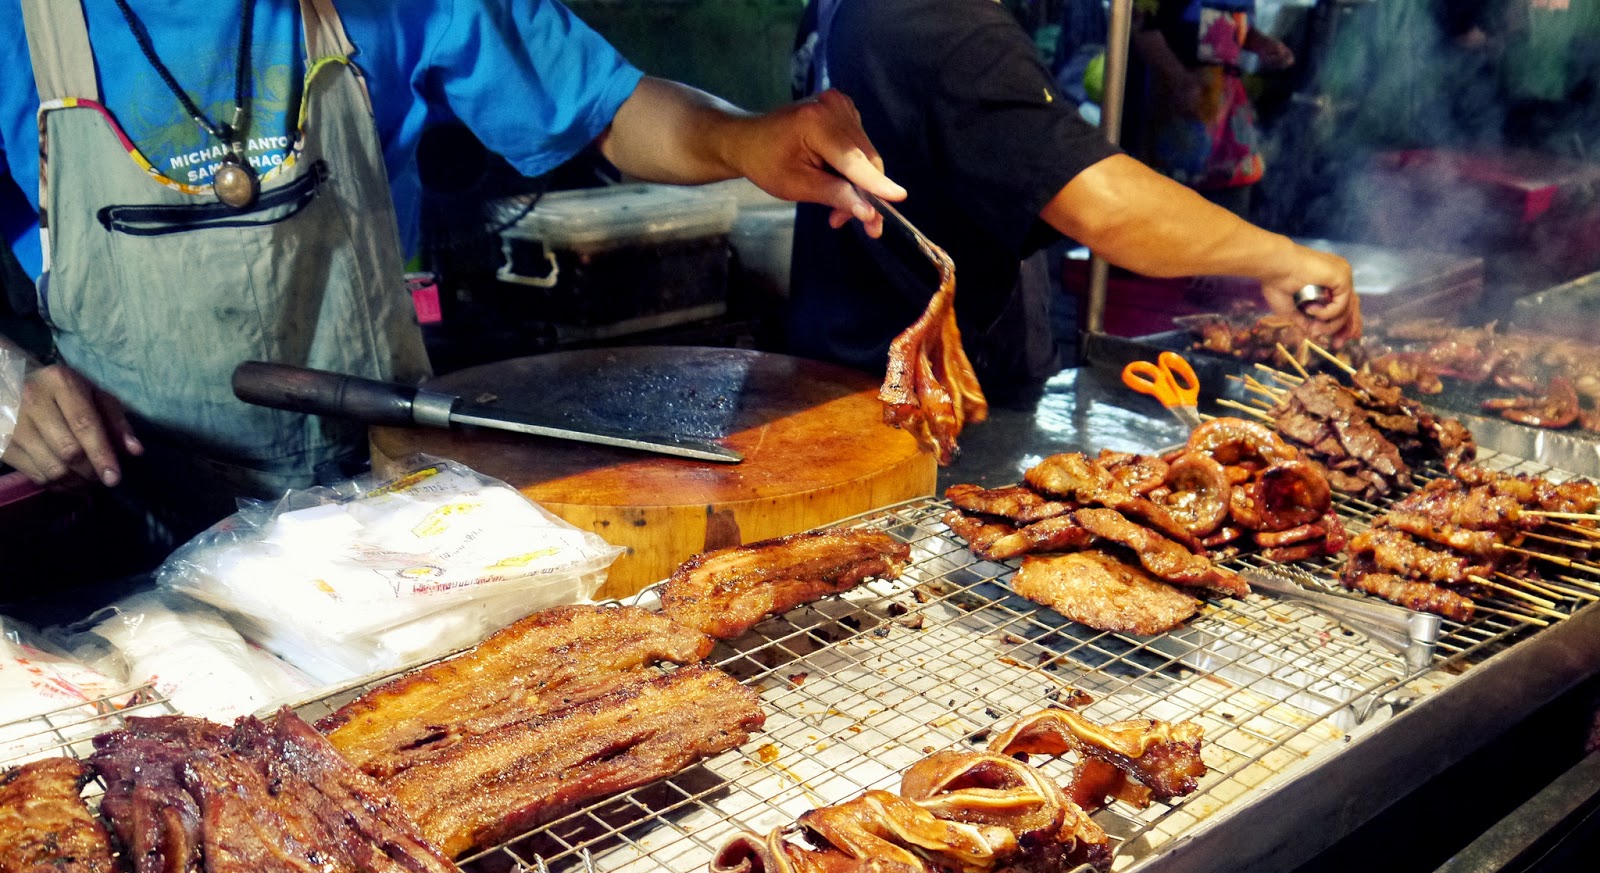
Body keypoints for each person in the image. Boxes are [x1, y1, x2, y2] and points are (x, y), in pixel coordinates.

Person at [0, 0, 903, 547]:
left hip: (383, 493)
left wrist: (746, 140)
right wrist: (11, 388)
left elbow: (609, 105)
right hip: (126, 510)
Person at [786, 0, 1355, 401]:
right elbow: (1102, 205)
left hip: (838, 354)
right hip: (918, 389)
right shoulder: (942, 19)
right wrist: (1287, 259)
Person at [1132, 0, 1294, 216]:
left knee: (1230, 215)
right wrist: (1179, 79)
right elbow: (1140, 27)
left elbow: (1233, 25)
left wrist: (1263, 45)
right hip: (1176, 119)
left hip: (1227, 113)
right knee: (1174, 219)